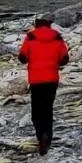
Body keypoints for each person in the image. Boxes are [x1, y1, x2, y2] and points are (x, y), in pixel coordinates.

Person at [17, 16, 70, 155]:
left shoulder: (31, 36)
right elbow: (65, 59)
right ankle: (47, 137)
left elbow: (22, 58)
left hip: (36, 80)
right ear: (49, 25)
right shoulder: (57, 37)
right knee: (48, 109)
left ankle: (40, 136)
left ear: (36, 25)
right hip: (52, 79)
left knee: (37, 111)